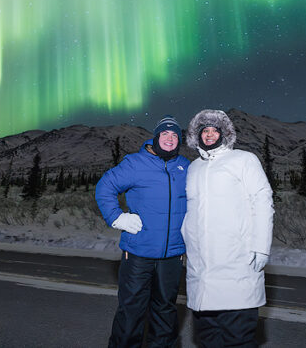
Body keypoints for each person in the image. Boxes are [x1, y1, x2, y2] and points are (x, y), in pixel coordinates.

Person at [181, 109, 274, 348]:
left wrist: (261, 247)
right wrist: (186, 242)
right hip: (201, 271)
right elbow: (190, 213)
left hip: (236, 265)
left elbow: (263, 202)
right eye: (205, 131)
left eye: (215, 130)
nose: (210, 135)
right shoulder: (194, 168)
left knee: (238, 338)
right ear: (197, 135)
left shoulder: (244, 160)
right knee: (207, 339)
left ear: (225, 134)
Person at [95, 116, 190, 348]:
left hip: (173, 255)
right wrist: (116, 217)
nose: (170, 138)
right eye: (165, 134)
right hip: (139, 253)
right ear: (156, 137)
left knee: (166, 311)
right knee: (131, 311)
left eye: (175, 135)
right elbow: (105, 186)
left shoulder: (185, 166)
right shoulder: (136, 163)